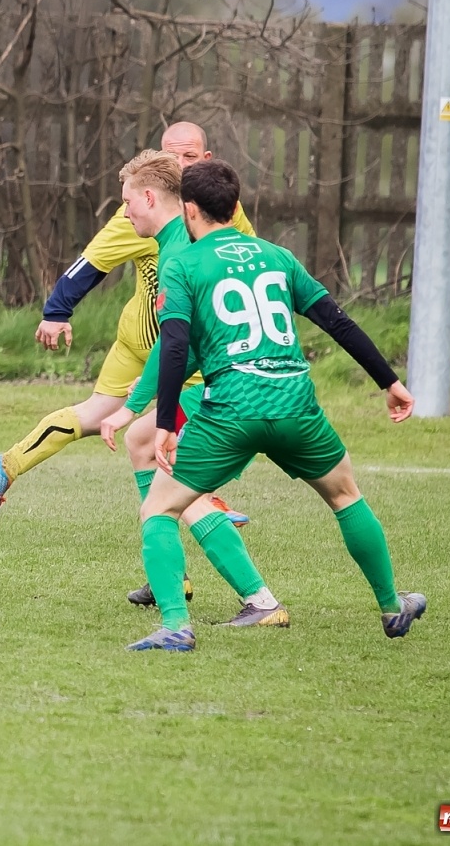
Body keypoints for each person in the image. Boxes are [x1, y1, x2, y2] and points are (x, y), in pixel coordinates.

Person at [126, 160, 424, 653]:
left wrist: (163, 424)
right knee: (346, 496)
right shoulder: (279, 256)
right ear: (236, 207)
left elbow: (175, 344)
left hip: (231, 410)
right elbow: (338, 321)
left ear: (190, 211)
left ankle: (176, 625)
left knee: (159, 508)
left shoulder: (183, 264)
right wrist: (389, 381)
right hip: (295, 404)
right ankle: (393, 607)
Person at [0, 123, 253, 539]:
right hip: (167, 342)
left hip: (165, 338)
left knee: (95, 416)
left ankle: (7, 465)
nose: (179, 164)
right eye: (170, 156)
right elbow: (90, 262)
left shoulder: (220, 209)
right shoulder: (144, 211)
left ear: (206, 160)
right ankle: (201, 500)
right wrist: (56, 309)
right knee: (205, 414)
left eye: (189, 157)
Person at [96, 150, 289, 627]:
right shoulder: (178, 240)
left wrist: (130, 406)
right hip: (215, 382)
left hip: (215, 387)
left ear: (148, 197)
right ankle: (173, 572)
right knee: (147, 447)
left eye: (126, 203)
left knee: (178, 488)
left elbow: (173, 343)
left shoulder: (179, 252)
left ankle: (257, 599)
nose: (124, 213)